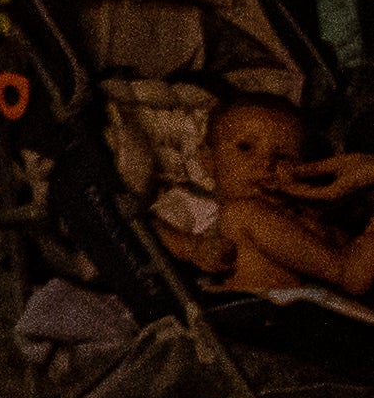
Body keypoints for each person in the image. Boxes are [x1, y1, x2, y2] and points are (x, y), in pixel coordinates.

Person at [160, 99, 374, 311]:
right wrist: (192, 248)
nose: (266, 163)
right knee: (240, 213)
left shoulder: (302, 210)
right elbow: (151, 230)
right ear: (208, 159)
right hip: (257, 308)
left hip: (324, 308)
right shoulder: (193, 201)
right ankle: (340, 268)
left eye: (282, 156)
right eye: (245, 148)